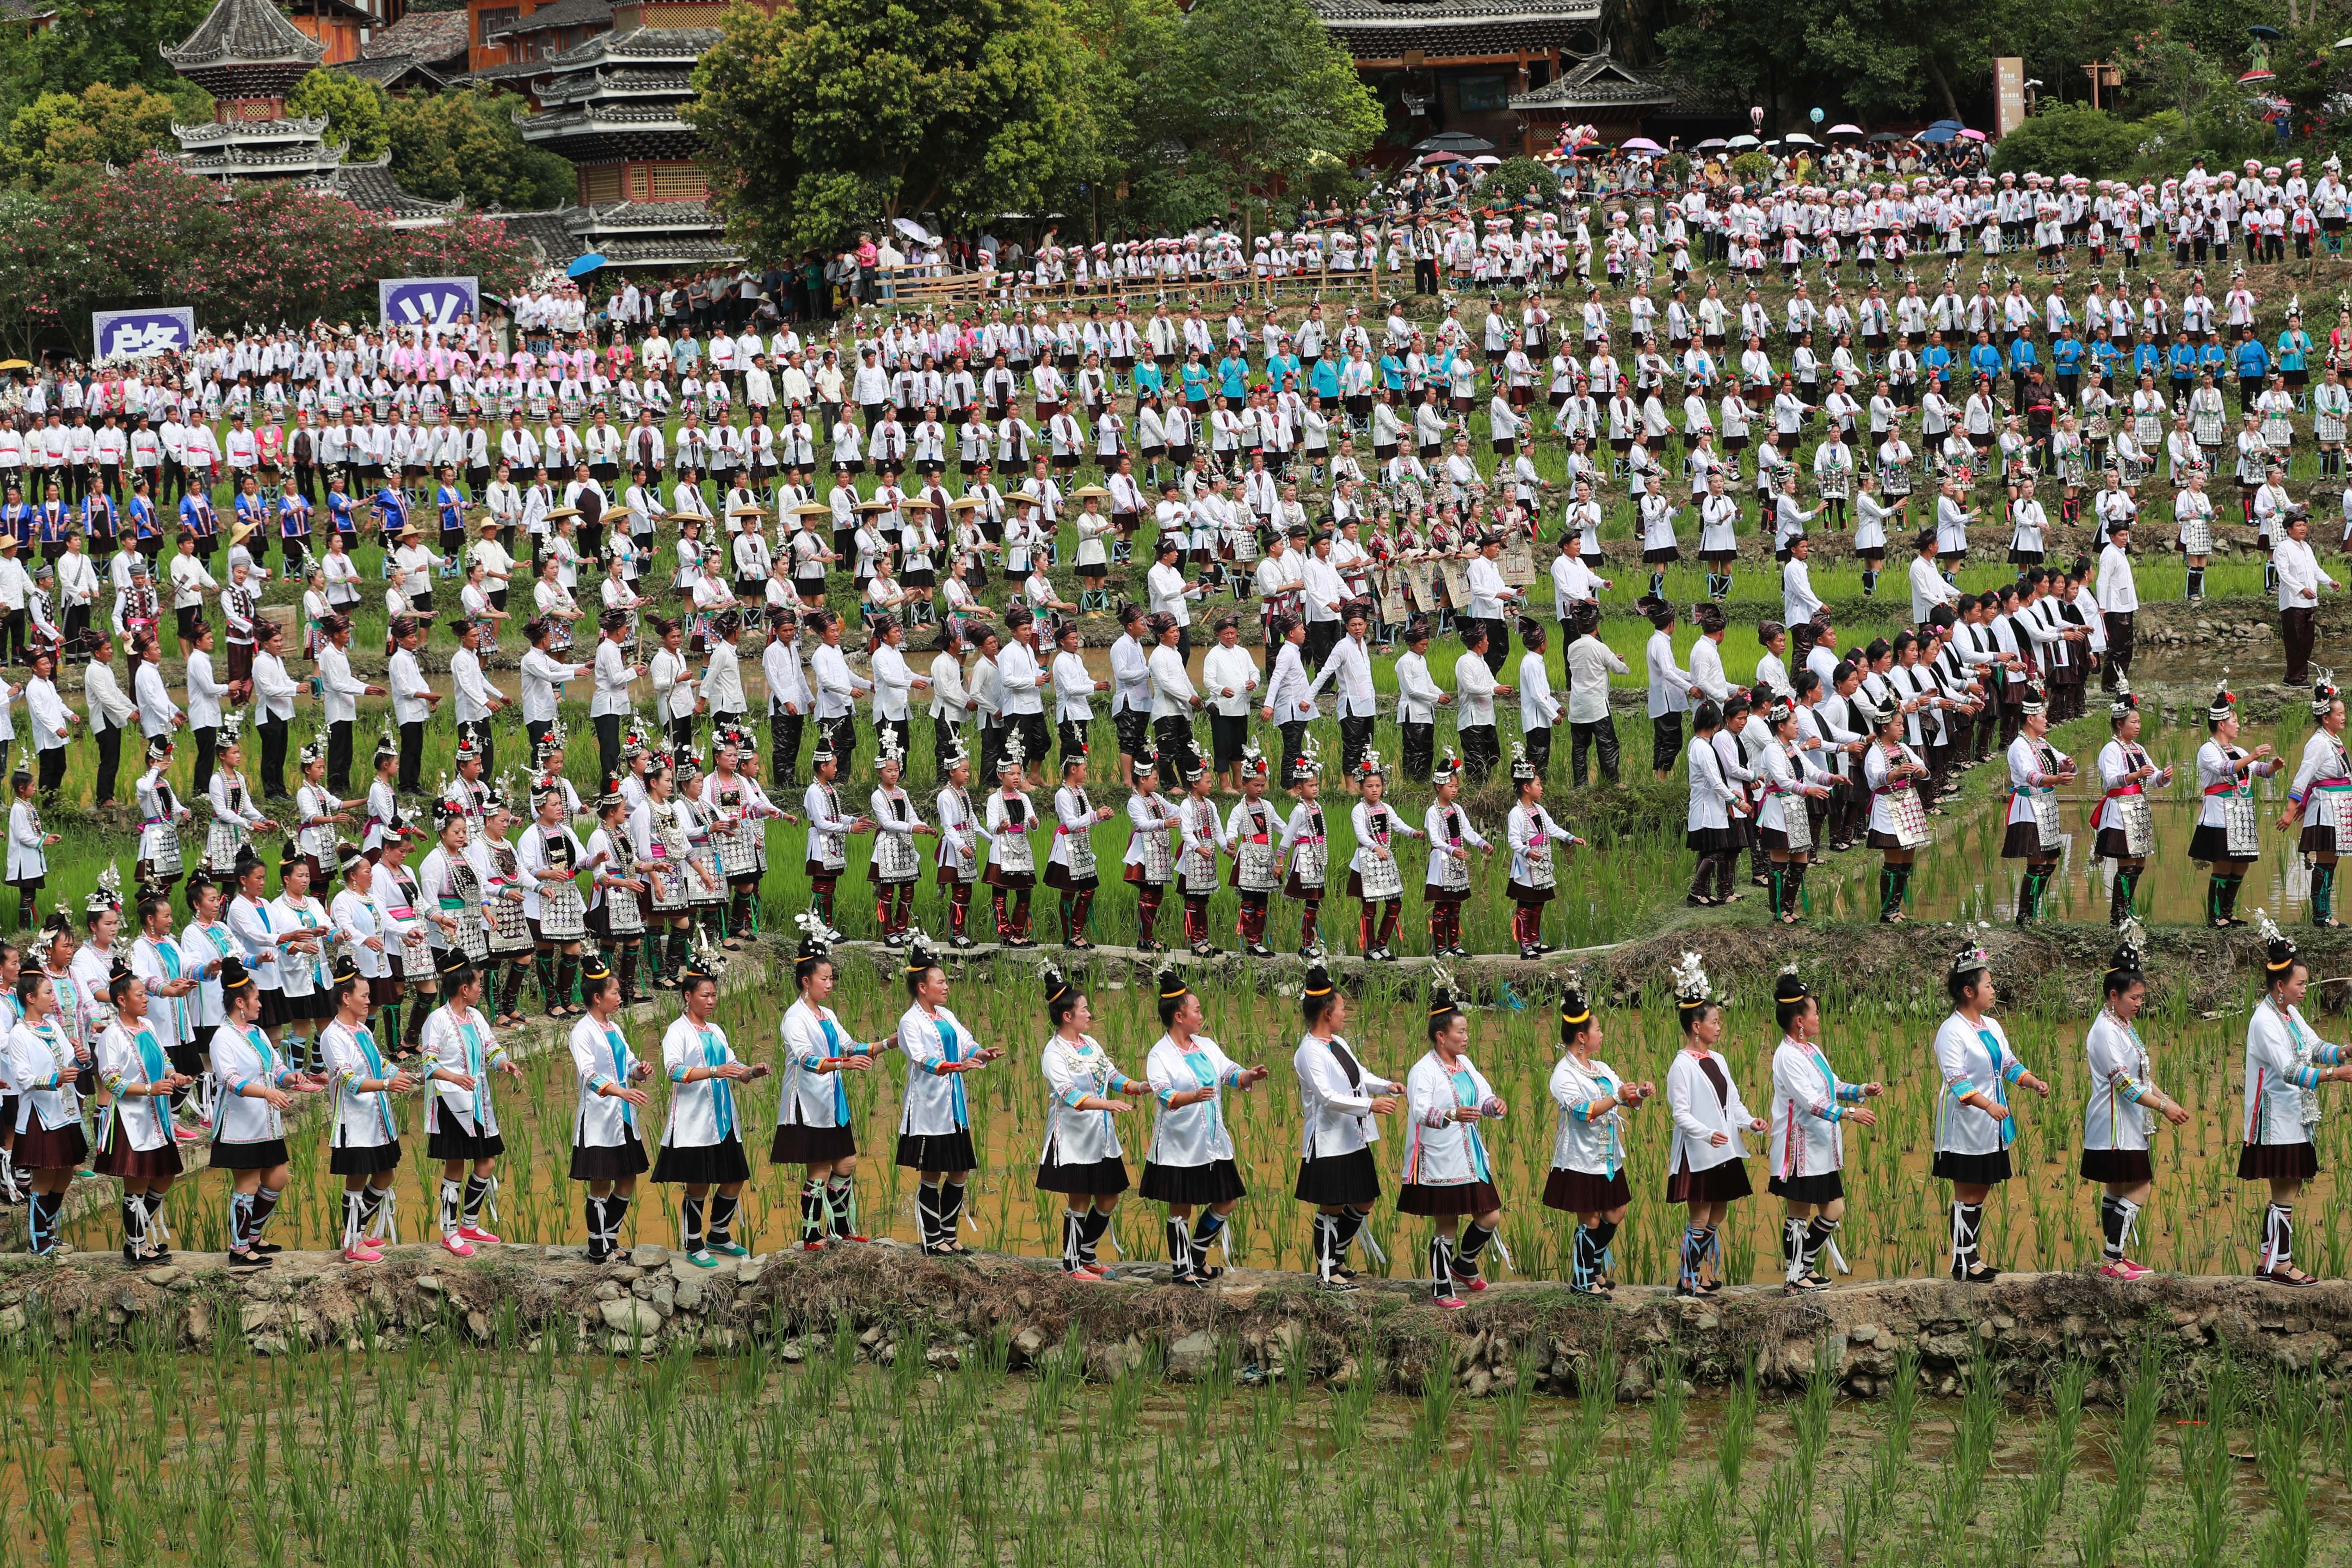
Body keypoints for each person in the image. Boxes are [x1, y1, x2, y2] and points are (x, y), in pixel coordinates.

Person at [2240, 916, 2352, 1286]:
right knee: (2285, 1188)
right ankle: (2278, 1266)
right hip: (2274, 1116)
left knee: (2289, 1187)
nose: (2306, 988)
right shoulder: (2265, 1021)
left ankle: (2272, 1261)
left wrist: (2344, 1051)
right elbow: (2289, 1070)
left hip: (2293, 1114)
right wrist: (2335, 1074)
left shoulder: (2288, 1012)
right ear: (2280, 986)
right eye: (2300, 983)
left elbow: (2314, 1046)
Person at [1140, 967, 1268, 1285]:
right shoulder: (1160, 1055)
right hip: (1180, 1144)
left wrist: (1249, 1076)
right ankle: (1182, 1270)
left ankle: (1197, 1257)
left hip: (1212, 1143)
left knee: (1227, 1200)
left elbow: (1229, 1072)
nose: (1201, 1015)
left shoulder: (1206, 1045)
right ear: (1180, 1016)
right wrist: (1193, 1096)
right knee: (1181, 1207)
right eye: (1196, 1010)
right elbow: (1166, 1096)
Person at [1934, 939, 2051, 1283]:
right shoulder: (1952, 1031)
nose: (1993, 989)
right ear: (1969, 991)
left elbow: (2009, 1064)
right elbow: (1957, 1082)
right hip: (1967, 1124)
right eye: (1988, 985)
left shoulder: (1992, 1026)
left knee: (1981, 1188)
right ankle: (1964, 1262)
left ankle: (1969, 1258)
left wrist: (2033, 1081)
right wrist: (1988, 1105)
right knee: (1967, 1190)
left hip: (1992, 1122)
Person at [2081, 922, 2189, 1281]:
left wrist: (2165, 1097)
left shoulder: (2124, 1024)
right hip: (2114, 1125)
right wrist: (2162, 1107)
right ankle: (2113, 1259)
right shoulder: (2105, 1031)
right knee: (2140, 1185)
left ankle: (2115, 1257)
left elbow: (2141, 1076)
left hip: (2127, 1123)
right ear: (2114, 995)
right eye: (2135, 998)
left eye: (2142, 997)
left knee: (2118, 1187)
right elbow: (2125, 1085)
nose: (2140, 1004)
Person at [1765, 965, 1882, 1295]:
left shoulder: (1811, 1050)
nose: (1819, 1017)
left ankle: (1804, 1269)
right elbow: (1810, 1102)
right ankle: (1795, 1278)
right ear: (1799, 1020)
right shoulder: (1787, 1056)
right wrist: (1850, 1113)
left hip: (1820, 1145)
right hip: (1800, 1149)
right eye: (1815, 1012)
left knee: (1833, 1208)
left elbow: (1830, 1086)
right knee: (1799, 1213)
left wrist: (1861, 1090)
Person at [1400, 974, 1507, 1309]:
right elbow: (1419, 1110)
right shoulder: (1424, 1070)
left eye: (1466, 1031)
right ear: (1441, 1036)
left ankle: (1463, 1264)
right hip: (1440, 1158)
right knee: (1447, 1223)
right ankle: (1441, 1287)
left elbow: (1482, 1094)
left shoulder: (1466, 1064)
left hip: (1471, 1154)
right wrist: (1451, 1115)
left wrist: (1493, 1105)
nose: (1466, 1037)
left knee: (1490, 1216)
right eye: (1460, 1032)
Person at [656, 939, 765, 1265]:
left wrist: (751, 1071)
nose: (711, 1000)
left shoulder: (716, 1030)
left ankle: (719, 1233)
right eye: (705, 995)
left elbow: (735, 1069)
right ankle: (693, 1243)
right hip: (694, 1120)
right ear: (688, 996)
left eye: (714, 995)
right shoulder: (678, 1031)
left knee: (734, 1177)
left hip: (723, 1117)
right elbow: (674, 1070)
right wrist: (715, 1071)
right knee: (699, 1183)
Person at [208, 955, 322, 1268]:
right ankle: (239, 1249)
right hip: (240, 1125)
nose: (261, 1004)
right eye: (257, 999)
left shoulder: (256, 1033)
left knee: (278, 1177)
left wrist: (290, 1078)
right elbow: (231, 1080)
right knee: (247, 1185)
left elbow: (276, 1066)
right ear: (241, 1002)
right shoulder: (223, 1037)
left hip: (266, 1122)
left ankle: (254, 1236)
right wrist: (268, 1091)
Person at [1292, 963, 1398, 1292]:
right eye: (1342, 1008)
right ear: (1326, 1012)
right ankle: (1326, 1271)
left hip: (1353, 1137)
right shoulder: (1309, 1052)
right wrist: (1370, 1105)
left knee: (1365, 1198)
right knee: (1332, 1206)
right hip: (1329, 1141)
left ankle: (1336, 1255)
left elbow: (1360, 1074)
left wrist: (1386, 1086)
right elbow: (1326, 1097)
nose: (1345, 1013)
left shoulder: (1336, 1042)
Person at [894, 935, 1002, 1255]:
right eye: (940, 981)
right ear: (922, 986)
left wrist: (981, 1053)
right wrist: (958, 1066)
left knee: (960, 1169)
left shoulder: (946, 1015)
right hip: (929, 1107)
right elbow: (922, 1060)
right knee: (932, 1172)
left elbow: (966, 1041)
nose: (946, 986)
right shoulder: (910, 1021)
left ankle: (950, 1234)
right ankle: (932, 1239)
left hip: (954, 1105)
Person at [1663, 951, 1762, 1296]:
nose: (1719, 1027)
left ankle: (1698, 1275)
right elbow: (1681, 1114)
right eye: (1715, 1021)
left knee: (1719, 1211)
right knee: (1701, 1216)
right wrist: (1708, 1134)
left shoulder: (1717, 1059)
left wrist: (1750, 1122)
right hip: (1700, 1150)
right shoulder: (1682, 1066)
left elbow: (1731, 1102)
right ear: (1696, 1026)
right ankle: (1688, 1279)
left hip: (1725, 1148)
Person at [1037, 966, 1148, 1277]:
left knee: (1110, 1194)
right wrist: (1107, 1103)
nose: (1090, 1014)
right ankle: (1071, 1265)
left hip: (1101, 1135)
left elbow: (1110, 1075)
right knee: (1080, 1199)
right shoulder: (1054, 1053)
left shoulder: (1090, 1043)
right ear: (1068, 1016)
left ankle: (1086, 1253)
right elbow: (1071, 1096)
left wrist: (1139, 1086)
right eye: (1084, 1009)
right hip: (1072, 1138)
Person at [1543, 977, 1651, 1295]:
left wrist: (1639, 1093)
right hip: (1580, 1157)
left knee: (1617, 1211)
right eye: (1598, 1030)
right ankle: (1582, 1280)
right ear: (1581, 1036)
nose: (1602, 1034)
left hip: (1607, 1153)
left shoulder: (1600, 1067)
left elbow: (1627, 1100)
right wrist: (1617, 1097)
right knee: (1590, 1219)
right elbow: (1583, 1111)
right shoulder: (1563, 1074)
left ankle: (1592, 1268)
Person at [92, 957, 192, 1265]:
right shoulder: (113, 1035)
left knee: (165, 1175)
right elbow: (110, 1079)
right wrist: (150, 1089)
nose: (146, 998)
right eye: (140, 994)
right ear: (122, 1000)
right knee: (136, 1183)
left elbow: (164, 1057)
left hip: (156, 1116)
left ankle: (141, 1232)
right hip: (131, 1119)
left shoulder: (147, 1025)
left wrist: (174, 1075)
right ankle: (137, 1247)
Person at [421, 950, 521, 1257]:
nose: (481, 988)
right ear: (464, 988)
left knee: (487, 1162)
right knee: (455, 1166)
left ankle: (469, 1223)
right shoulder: (437, 1020)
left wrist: (504, 1063)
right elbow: (427, 1065)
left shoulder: (476, 1017)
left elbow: (492, 1049)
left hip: (479, 1102)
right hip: (451, 1102)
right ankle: (449, 1232)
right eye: (478, 983)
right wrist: (454, 1078)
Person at [319, 954, 413, 1264]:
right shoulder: (333, 1036)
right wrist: (387, 1085)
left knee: (386, 1173)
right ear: (346, 998)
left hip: (377, 1117)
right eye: (365, 995)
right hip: (355, 1121)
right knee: (356, 1181)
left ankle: (357, 1231)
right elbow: (348, 1079)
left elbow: (378, 1062)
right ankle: (353, 1242)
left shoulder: (363, 1030)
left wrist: (398, 1073)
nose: (369, 1001)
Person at [569, 951, 653, 1263]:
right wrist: (622, 1092)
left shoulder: (613, 1028)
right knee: (601, 1182)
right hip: (600, 1118)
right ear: (597, 997)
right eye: (615, 992)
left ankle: (611, 1237)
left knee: (629, 1176)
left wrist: (639, 1070)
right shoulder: (582, 1031)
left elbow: (628, 1062)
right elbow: (590, 1075)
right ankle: (596, 1247)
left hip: (624, 1115)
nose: (620, 997)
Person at [2191, 679, 2281, 928]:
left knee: (2241, 863)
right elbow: (2225, 769)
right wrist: (2251, 756)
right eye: (2235, 722)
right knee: (2223, 863)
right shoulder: (2207, 751)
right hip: (2220, 814)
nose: (2239, 726)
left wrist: (2273, 766)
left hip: (2242, 813)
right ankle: (2216, 917)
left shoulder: (2239, 750)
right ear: (2222, 724)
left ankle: (2228, 913)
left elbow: (2259, 770)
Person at [2000, 679, 2075, 926]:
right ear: (2030, 719)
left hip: (2046, 806)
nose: (2047, 719)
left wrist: (2068, 765)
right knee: (2037, 860)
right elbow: (2030, 775)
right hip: (2030, 807)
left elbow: (2061, 759)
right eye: (2043, 715)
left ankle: (2031, 911)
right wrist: (2055, 778)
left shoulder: (2042, 743)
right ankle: (2025, 916)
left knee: (2051, 860)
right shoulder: (2020, 746)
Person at [2282, 673, 2352, 927]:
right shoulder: (2318, 743)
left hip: (2337, 806)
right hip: (2326, 808)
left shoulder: (2332, 740)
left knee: (2331, 860)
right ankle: (2321, 917)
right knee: (2325, 861)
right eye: (2339, 714)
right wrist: (2292, 808)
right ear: (2326, 718)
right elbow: (2305, 775)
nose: (2343, 717)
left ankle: (2325, 914)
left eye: (2344, 713)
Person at [1862, 688, 1930, 922]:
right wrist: (1896, 773)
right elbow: (1875, 778)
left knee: (1907, 861)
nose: (1902, 728)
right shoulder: (1875, 752)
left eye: (1902, 724)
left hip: (1908, 806)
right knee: (1893, 861)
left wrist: (1919, 771)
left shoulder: (1903, 748)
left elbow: (1922, 766)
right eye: (1899, 724)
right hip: (1889, 808)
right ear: (1885, 727)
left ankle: (1896, 906)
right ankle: (1887, 911)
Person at [1347, 749, 1420, 961]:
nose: (1374, 790)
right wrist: (1375, 848)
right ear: (1361, 788)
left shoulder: (1387, 808)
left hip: (1385, 860)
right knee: (1369, 907)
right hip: (1367, 860)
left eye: (1378, 786)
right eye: (1370, 786)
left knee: (1395, 903)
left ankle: (1382, 943)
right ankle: (1370, 948)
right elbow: (1361, 834)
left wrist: (1414, 833)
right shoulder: (1359, 810)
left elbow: (1398, 825)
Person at [1044, 750, 1112, 948]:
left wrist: (1101, 816)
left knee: (1088, 889)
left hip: (1082, 846)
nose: (1087, 773)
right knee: (1069, 891)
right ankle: (1069, 937)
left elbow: (1088, 817)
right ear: (1073, 770)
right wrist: (1094, 816)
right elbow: (1072, 823)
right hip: (1067, 847)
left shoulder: (1080, 792)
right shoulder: (1062, 794)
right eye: (1084, 769)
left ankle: (1077, 932)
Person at [1275, 741, 1331, 956]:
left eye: (1316, 784)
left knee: (1314, 902)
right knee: (1311, 900)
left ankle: (1309, 943)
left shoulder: (1317, 807)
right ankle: (1307, 945)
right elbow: (1288, 837)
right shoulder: (1300, 810)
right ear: (1299, 789)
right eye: (1310, 785)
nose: (1315, 788)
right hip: (1306, 857)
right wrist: (1280, 861)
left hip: (1316, 857)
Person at [983, 735, 1040, 945]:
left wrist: (1034, 823)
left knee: (1024, 894)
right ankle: (1005, 935)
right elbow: (991, 826)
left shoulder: (1024, 798)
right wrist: (1000, 827)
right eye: (1011, 774)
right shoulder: (994, 799)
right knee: (1000, 893)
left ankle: (1018, 933)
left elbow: (1033, 823)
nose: (1016, 778)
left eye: (1019, 774)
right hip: (1002, 850)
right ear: (1001, 775)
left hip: (1022, 848)